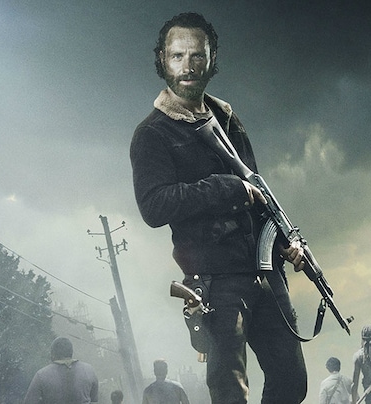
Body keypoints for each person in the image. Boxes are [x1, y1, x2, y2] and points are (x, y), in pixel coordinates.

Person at [130, 11, 308, 404]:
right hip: (215, 281)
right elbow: (153, 206)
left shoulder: (227, 117)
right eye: (178, 56)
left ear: (212, 60)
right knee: (230, 392)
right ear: (162, 60)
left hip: (264, 270)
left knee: (292, 382)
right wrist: (223, 187)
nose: (188, 66)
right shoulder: (151, 134)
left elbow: (259, 191)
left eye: (197, 55)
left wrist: (285, 241)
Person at [23, 336, 99, 404]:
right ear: (71, 352)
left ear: (53, 354)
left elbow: (30, 401)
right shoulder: (89, 370)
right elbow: (93, 399)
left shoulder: (41, 375)